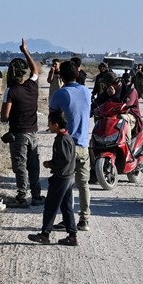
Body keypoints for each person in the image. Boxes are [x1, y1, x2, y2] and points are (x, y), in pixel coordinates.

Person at [49, 60, 93, 230]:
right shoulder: (86, 91)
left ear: (61, 76)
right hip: (83, 143)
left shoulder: (61, 94)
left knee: (65, 185)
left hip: (67, 145)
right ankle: (85, 219)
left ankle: (68, 220)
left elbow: (54, 118)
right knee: (83, 184)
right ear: (77, 74)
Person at [27, 109, 79, 246]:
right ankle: (72, 236)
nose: (48, 126)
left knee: (51, 206)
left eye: (50, 123)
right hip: (69, 177)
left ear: (56, 125)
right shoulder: (68, 137)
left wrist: (49, 164)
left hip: (61, 178)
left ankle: (45, 235)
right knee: (66, 207)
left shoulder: (61, 140)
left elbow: (65, 160)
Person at [1, 38, 42, 207]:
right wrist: (25, 51)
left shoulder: (11, 91)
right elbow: (35, 70)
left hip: (19, 134)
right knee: (33, 166)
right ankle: (37, 196)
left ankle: (22, 197)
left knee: (20, 166)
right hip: (33, 133)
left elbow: (4, 116)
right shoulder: (32, 86)